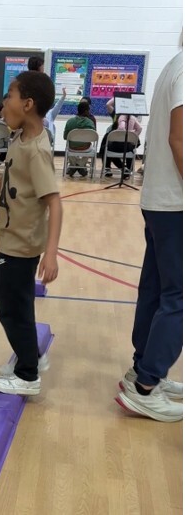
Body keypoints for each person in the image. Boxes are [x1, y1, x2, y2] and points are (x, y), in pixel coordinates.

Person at [0, 71, 63, 396]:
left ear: (27, 104)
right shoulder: (20, 139)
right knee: (0, 296)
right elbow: (10, 170)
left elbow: (55, 203)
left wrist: (50, 253)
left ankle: (27, 374)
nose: (3, 103)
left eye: (9, 95)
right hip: (11, 239)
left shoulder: (36, 150)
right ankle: (31, 356)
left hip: (22, 245)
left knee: (15, 307)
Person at [115, 47, 183, 423]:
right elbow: (179, 139)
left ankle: (142, 370)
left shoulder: (175, 63)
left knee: (156, 291)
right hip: (176, 203)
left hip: (160, 200)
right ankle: (146, 384)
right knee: (179, 298)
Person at [100, 97, 144, 178]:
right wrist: (133, 134)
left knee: (105, 147)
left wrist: (119, 96)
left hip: (117, 143)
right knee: (131, 148)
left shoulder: (119, 116)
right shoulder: (133, 117)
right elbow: (140, 128)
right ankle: (127, 169)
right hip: (128, 144)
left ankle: (108, 168)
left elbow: (121, 127)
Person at [62, 99, 98, 177]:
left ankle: (73, 166)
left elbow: (65, 137)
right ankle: (80, 165)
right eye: (88, 110)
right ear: (85, 111)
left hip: (72, 147)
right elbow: (94, 138)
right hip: (85, 148)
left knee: (68, 146)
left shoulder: (70, 121)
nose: (89, 112)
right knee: (91, 148)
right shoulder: (90, 122)